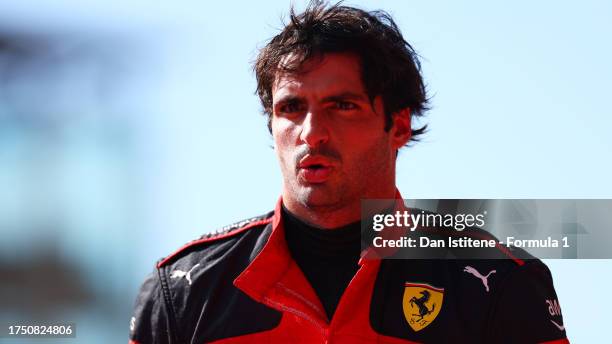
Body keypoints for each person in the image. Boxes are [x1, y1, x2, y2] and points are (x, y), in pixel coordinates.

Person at [129, 2, 569, 343]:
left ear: (398, 124)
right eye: (291, 108)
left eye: (342, 106)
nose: (312, 133)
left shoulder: (499, 281)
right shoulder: (182, 290)